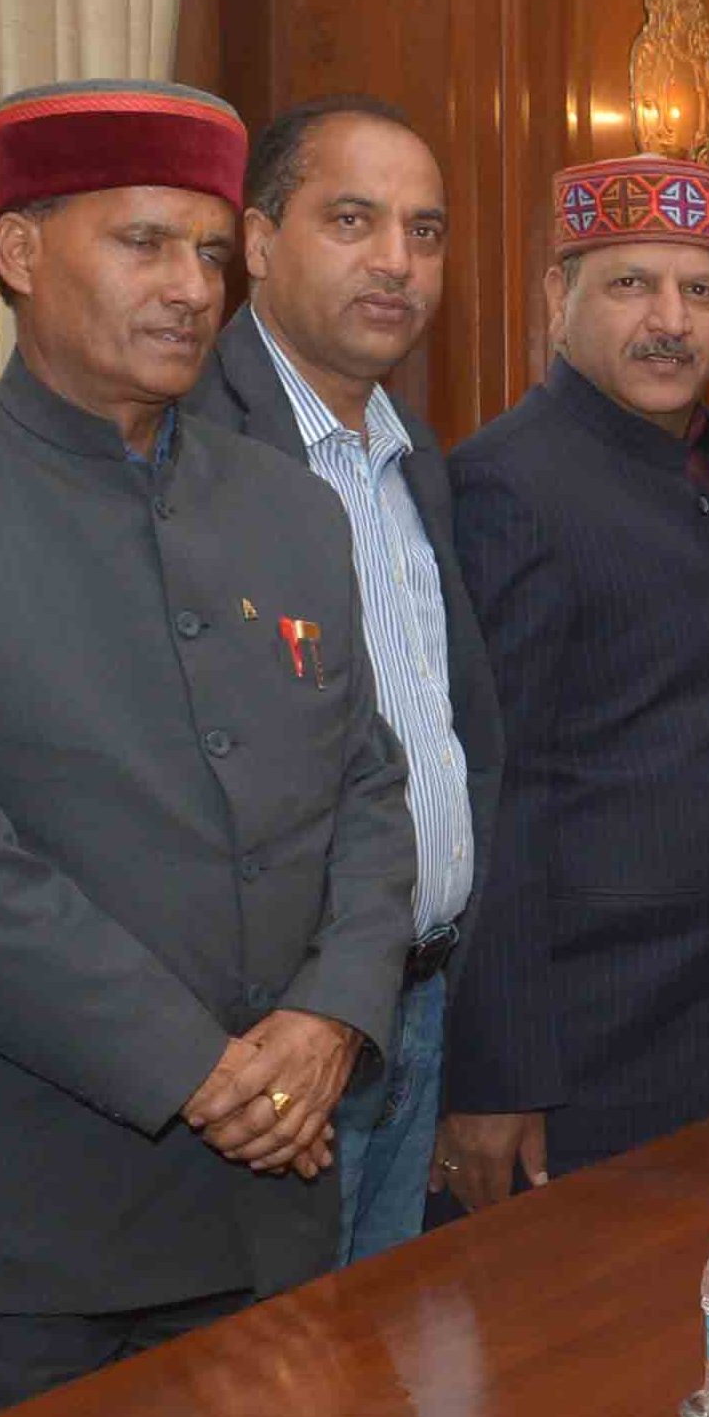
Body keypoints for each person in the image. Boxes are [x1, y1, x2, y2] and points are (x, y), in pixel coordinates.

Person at [0, 80, 417, 1417]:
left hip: (279, 1203)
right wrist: (196, 1070)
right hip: (43, 1231)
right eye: (141, 243)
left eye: (206, 250)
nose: (189, 287)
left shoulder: (284, 504)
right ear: (21, 253)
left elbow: (366, 781)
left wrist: (333, 1018)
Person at [438, 154, 709, 1205]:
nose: (670, 320)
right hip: (598, 1052)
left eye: (700, 291)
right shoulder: (510, 484)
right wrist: (498, 1075)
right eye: (630, 284)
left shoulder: (703, 461)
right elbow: (496, 795)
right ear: (559, 297)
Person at [180, 95, 502, 1262]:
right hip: (271, 1048)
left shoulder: (413, 456)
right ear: (259, 242)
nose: (396, 262)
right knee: (281, 1408)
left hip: (415, 1013)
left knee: (385, 1396)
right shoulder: (183, 445)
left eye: (425, 231)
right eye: (354, 220)